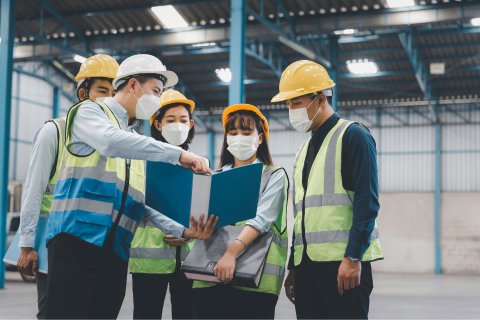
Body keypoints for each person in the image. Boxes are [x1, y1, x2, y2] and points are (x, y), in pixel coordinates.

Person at [43, 54, 217, 319]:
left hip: (115, 250)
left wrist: (184, 231)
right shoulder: (89, 112)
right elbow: (109, 142)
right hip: (76, 242)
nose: (158, 100)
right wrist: (179, 154)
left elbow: (140, 203)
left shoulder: (133, 140)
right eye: (155, 91)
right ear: (133, 85)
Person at [271, 60, 384, 319]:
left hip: (342, 265)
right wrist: (294, 267)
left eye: (296, 103)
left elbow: (367, 203)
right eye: (289, 104)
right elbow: (302, 217)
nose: (291, 111)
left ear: (320, 99)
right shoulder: (303, 150)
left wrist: (353, 257)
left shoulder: (353, 136)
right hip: (308, 267)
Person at [16, 54, 119, 319]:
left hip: (97, 247)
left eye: (113, 92)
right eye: (101, 91)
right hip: (56, 242)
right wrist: (27, 245)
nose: (108, 98)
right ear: (83, 93)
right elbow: (34, 189)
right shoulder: (56, 132)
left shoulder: (114, 140)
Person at [194, 104, 289, 319]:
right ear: (226, 138)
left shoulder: (273, 176)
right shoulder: (213, 177)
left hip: (256, 279)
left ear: (260, 138)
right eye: (233, 132)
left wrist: (231, 253)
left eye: (247, 132)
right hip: (210, 273)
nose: (239, 137)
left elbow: (262, 219)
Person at [130, 89, 210, 319]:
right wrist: (177, 228)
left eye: (183, 120)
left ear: (191, 123)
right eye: (170, 120)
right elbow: (135, 203)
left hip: (189, 260)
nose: (178, 125)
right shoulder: (141, 162)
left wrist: (189, 235)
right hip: (149, 260)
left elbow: (207, 211)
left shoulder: (200, 165)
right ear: (157, 124)